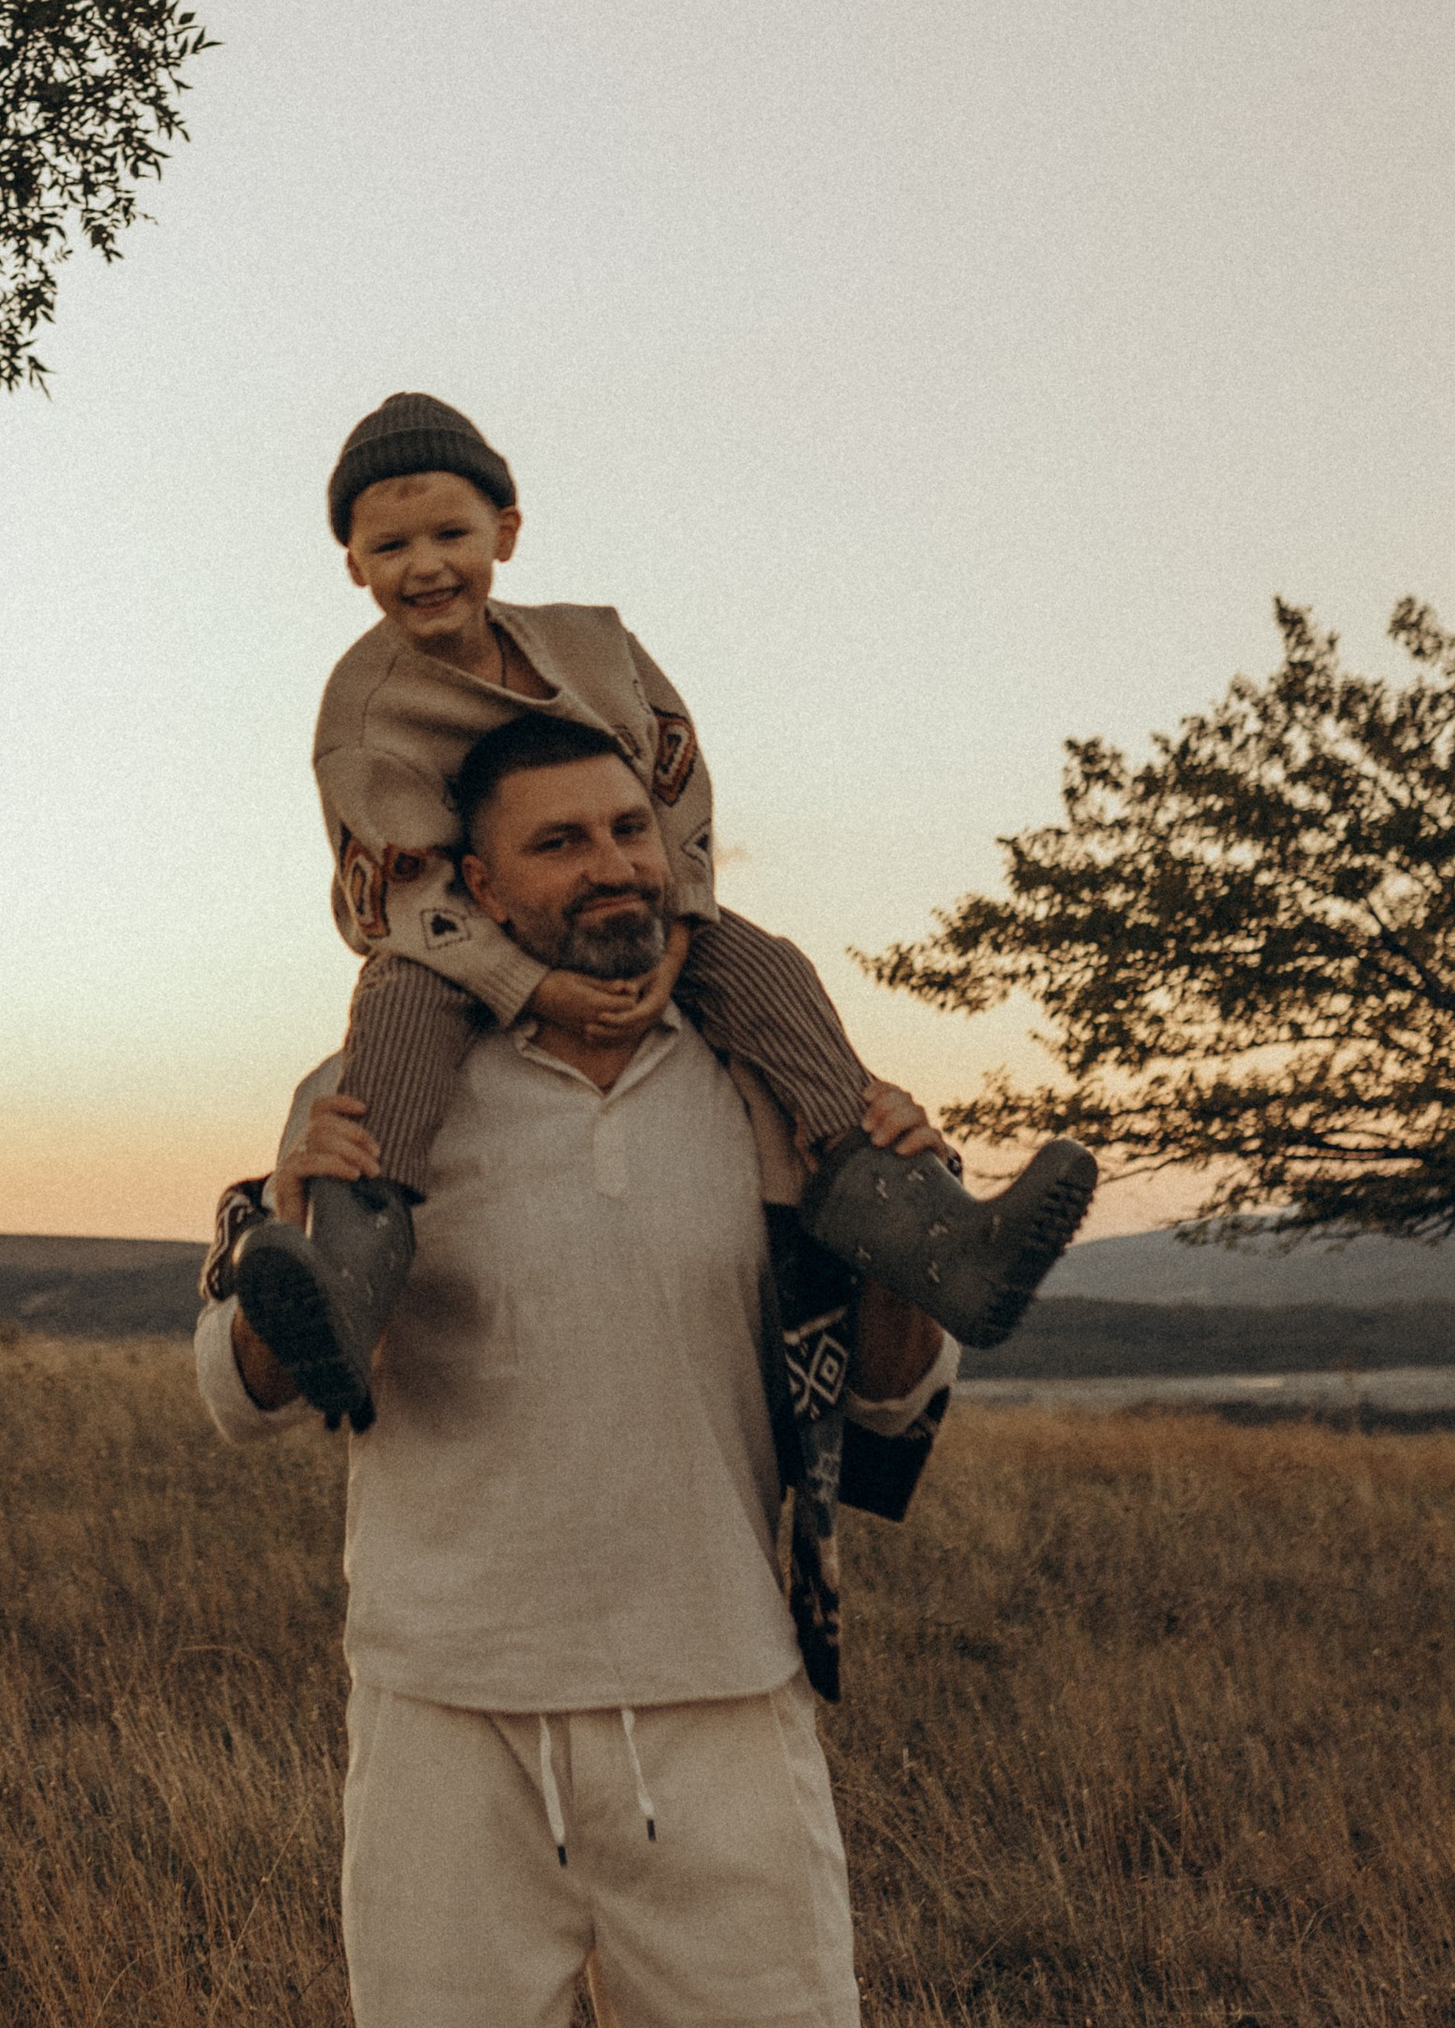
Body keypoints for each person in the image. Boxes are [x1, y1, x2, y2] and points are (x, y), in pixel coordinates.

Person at [198, 713, 961, 2028]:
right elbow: (237, 1396)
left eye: (627, 829)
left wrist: (899, 1244)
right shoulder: (377, 1088)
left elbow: (892, 1391)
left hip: (723, 1694)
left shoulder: (779, 1087)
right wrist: (294, 1229)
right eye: (558, 842)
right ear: (477, 888)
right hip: (447, 1711)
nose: (612, 864)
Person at [233, 392, 1092, 1427]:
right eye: (390, 546)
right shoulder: (362, 715)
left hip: (646, 914)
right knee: (398, 1005)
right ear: (353, 565)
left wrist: (678, 933)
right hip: (450, 934)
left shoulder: (594, 646)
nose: (425, 565)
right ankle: (347, 1271)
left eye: (450, 534)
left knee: (765, 965)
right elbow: (401, 890)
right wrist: (534, 987)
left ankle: (919, 1221)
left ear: (506, 532)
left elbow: (675, 784)